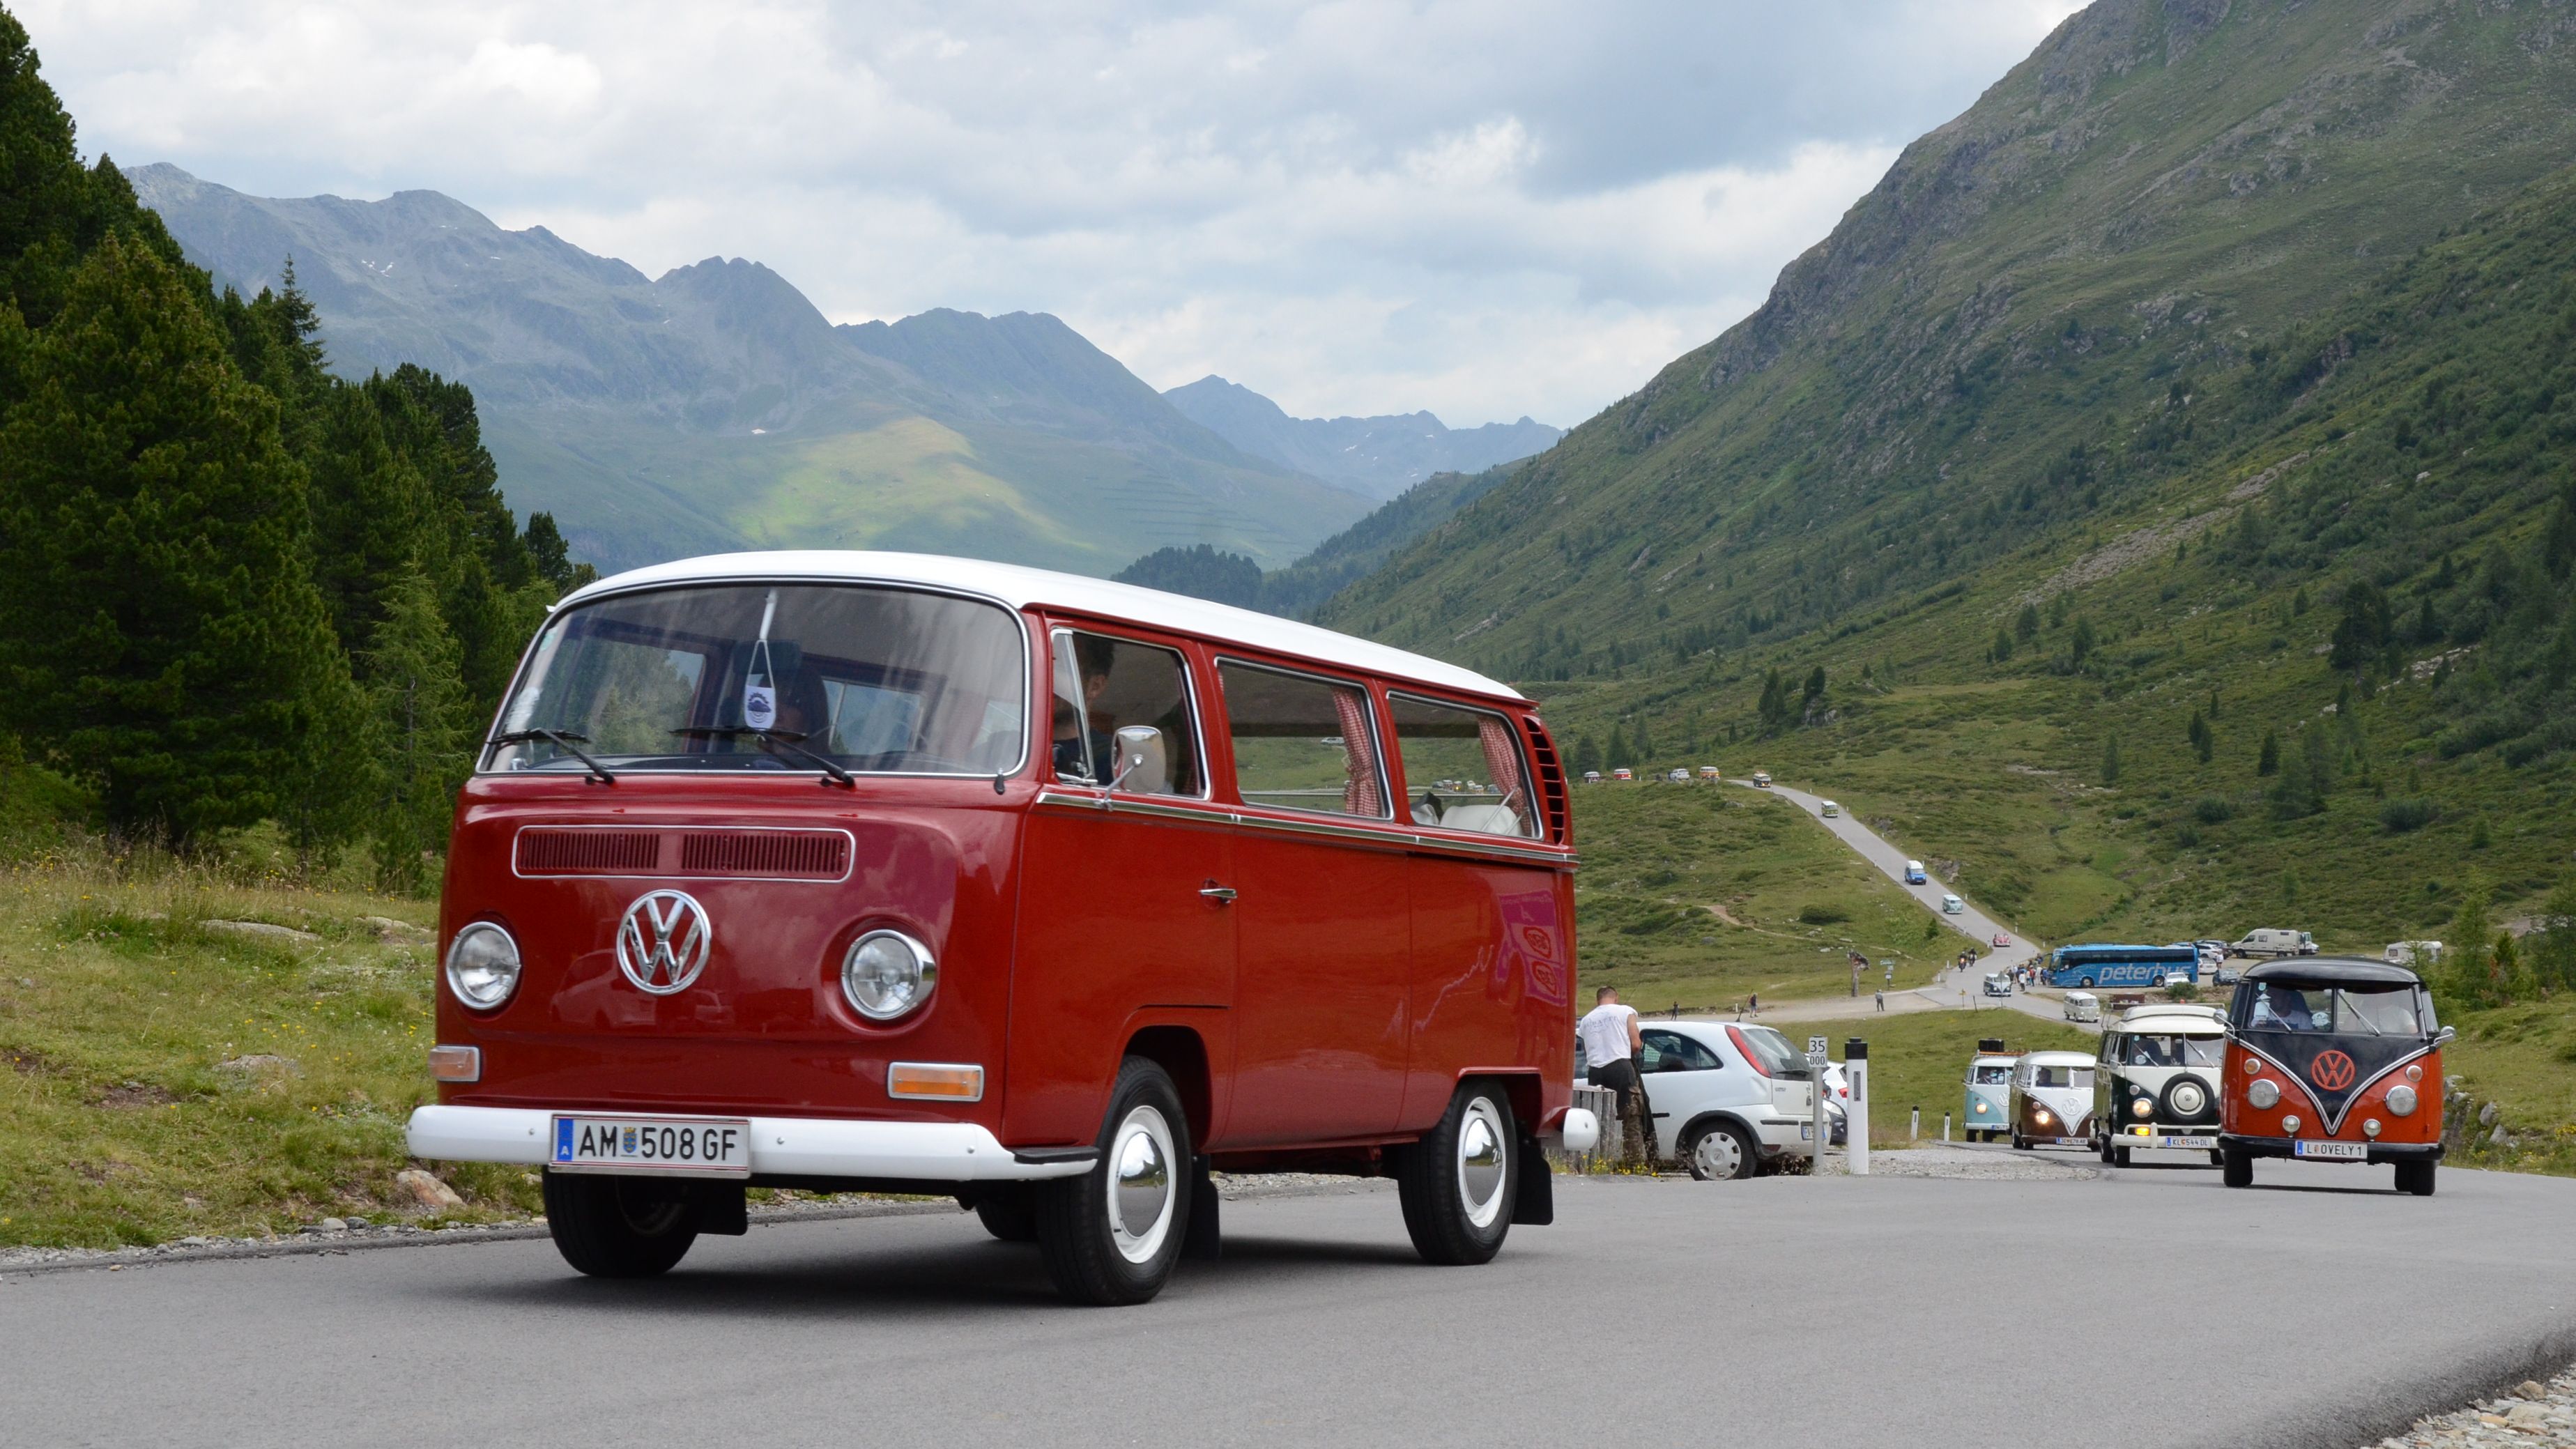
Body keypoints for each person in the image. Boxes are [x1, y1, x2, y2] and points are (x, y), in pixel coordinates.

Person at [1577, 986, 1648, 1164]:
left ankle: (1598, 1161)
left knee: (1600, 1118)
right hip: (1620, 1068)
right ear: (1616, 997)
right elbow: (1636, 1045)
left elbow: (1587, 1050)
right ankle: (1634, 1163)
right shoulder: (1625, 1011)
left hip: (1595, 1071)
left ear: (1597, 1000)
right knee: (1630, 1116)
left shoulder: (1586, 1020)